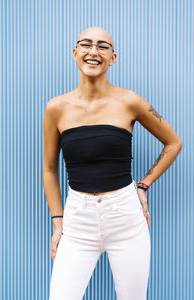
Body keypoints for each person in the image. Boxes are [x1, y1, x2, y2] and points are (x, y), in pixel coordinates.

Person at [43, 26, 182, 300]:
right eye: (86, 44)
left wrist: (144, 184)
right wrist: (58, 222)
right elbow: (49, 169)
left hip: (126, 218)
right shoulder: (56, 107)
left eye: (102, 46)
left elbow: (173, 143)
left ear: (113, 58)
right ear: (75, 53)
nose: (93, 51)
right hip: (78, 222)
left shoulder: (130, 101)